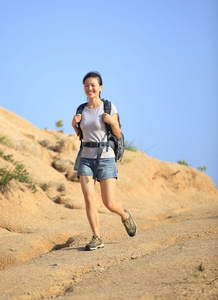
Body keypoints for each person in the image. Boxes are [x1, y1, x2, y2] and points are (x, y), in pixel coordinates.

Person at [72, 71, 137, 251]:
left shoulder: (108, 108)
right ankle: (97, 237)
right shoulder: (80, 110)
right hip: (85, 158)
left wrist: (112, 122)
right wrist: (73, 125)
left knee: (109, 203)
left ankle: (124, 215)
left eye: (93, 85)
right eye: (86, 85)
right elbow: (81, 135)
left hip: (106, 158)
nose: (89, 88)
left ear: (100, 87)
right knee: (89, 198)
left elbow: (116, 134)